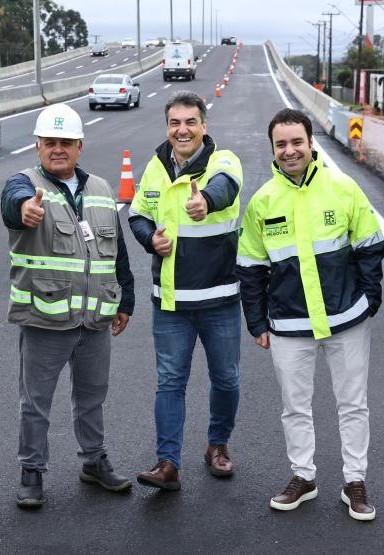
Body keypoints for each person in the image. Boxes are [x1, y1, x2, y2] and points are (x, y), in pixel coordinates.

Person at [237, 108, 384, 520]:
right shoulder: (263, 202)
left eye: (296, 142)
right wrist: (257, 321)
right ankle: (303, 476)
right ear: (272, 149)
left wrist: (369, 299)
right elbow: (250, 267)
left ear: (310, 142)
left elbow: (371, 246)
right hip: (288, 324)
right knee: (294, 407)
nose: (290, 150)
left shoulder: (343, 187)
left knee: (352, 404)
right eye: (281, 144)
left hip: (346, 320)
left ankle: (355, 481)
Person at [0, 103, 135, 508]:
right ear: (38, 146)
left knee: (92, 397)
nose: (58, 149)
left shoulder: (102, 189)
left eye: (66, 142)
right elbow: (13, 203)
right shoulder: (23, 184)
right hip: (46, 318)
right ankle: (31, 470)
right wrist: (24, 209)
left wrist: (125, 299)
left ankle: (94, 461)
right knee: (36, 402)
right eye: (50, 142)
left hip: (95, 319)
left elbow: (117, 251)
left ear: (79, 146)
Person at [129, 91, 243, 490]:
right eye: (175, 123)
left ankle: (217, 446)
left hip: (219, 299)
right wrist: (149, 239)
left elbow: (226, 187)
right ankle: (168, 463)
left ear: (203, 126)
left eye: (190, 122)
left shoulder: (223, 160)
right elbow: (138, 213)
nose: (183, 130)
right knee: (170, 383)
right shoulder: (155, 167)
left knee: (226, 379)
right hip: (171, 302)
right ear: (167, 127)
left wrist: (206, 201)